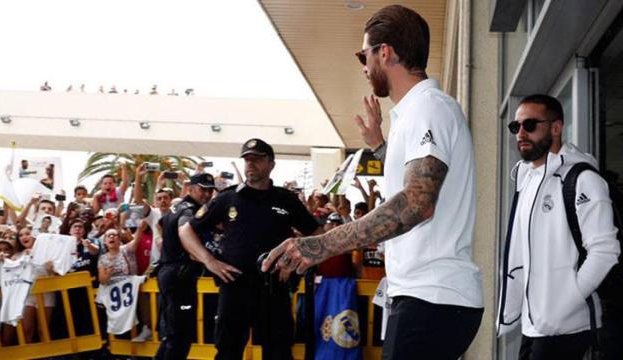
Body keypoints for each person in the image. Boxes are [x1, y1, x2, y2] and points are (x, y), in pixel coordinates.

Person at [261, 6, 484, 359]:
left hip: (431, 299)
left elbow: (417, 202)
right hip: (423, 298)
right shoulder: (416, 113)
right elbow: (415, 185)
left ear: (385, 52)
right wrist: (381, 146)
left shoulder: (430, 108)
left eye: (363, 55)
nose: (363, 67)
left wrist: (320, 245)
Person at [496, 94, 620, 359]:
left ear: (556, 127)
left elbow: (605, 251)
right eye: (515, 127)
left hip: (568, 328)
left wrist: (566, 302)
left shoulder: (583, 180)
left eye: (530, 125)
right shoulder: (526, 179)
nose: (520, 133)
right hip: (533, 326)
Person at [178, 138, 320, 360]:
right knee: (227, 351)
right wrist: (210, 261)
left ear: (271, 164)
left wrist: (294, 261)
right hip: (235, 287)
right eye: (247, 160)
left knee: (279, 352)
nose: (250, 164)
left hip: (275, 288)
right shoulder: (228, 198)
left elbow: (316, 234)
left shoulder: (286, 200)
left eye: (256, 159)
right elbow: (186, 231)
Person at [154, 173, 216, 360]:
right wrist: (205, 257)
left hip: (171, 273)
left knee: (172, 334)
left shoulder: (177, 205)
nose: (207, 194)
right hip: (179, 275)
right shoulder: (191, 211)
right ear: (191, 189)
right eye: (202, 189)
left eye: (210, 190)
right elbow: (185, 230)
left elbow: (160, 224)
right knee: (181, 335)